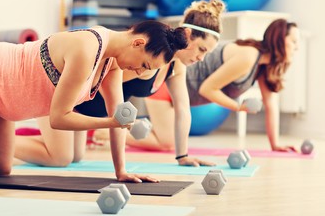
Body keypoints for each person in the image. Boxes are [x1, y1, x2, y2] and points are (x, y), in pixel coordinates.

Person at [0, 20, 189, 183]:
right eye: (143, 64)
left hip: (3, 92)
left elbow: (118, 115)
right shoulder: (87, 49)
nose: (137, 71)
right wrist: (110, 123)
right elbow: (59, 118)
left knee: (0, 169)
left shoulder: (111, 62)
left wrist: (121, 171)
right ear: (138, 42)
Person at [14, 0, 226, 167]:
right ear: (188, 34)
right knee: (60, 158)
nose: (201, 58)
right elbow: (112, 103)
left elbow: (182, 110)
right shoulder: (140, 59)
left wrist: (183, 156)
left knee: (76, 157)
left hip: (86, 108)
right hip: (62, 92)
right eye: (202, 49)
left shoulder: (175, 67)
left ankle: (13, 141)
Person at [123, 18, 299, 153]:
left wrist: (275, 145)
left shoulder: (262, 66)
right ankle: (105, 131)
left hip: (181, 93)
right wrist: (238, 107)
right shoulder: (249, 56)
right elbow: (207, 89)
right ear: (279, 40)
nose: (296, 47)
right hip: (167, 87)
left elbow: (271, 106)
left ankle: (112, 130)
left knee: (168, 143)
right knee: (167, 143)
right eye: (293, 41)